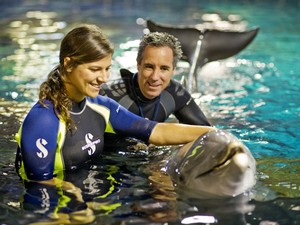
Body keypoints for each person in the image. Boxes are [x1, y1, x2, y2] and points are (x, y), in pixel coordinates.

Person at [15, 24, 214, 196]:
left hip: (93, 195)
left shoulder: (100, 106)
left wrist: (216, 134)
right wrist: (73, 196)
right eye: (95, 69)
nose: (104, 78)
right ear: (68, 64)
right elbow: (38, 186)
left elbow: (155, 130)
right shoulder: (44, 119)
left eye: (107, 69)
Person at [100, 32, 211, 126]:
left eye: (164, 68)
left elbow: (209, 133)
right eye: (149, 67)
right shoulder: (108, 96)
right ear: (138, 65)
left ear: (173, 70)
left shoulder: (175, 92)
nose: (154, 77)